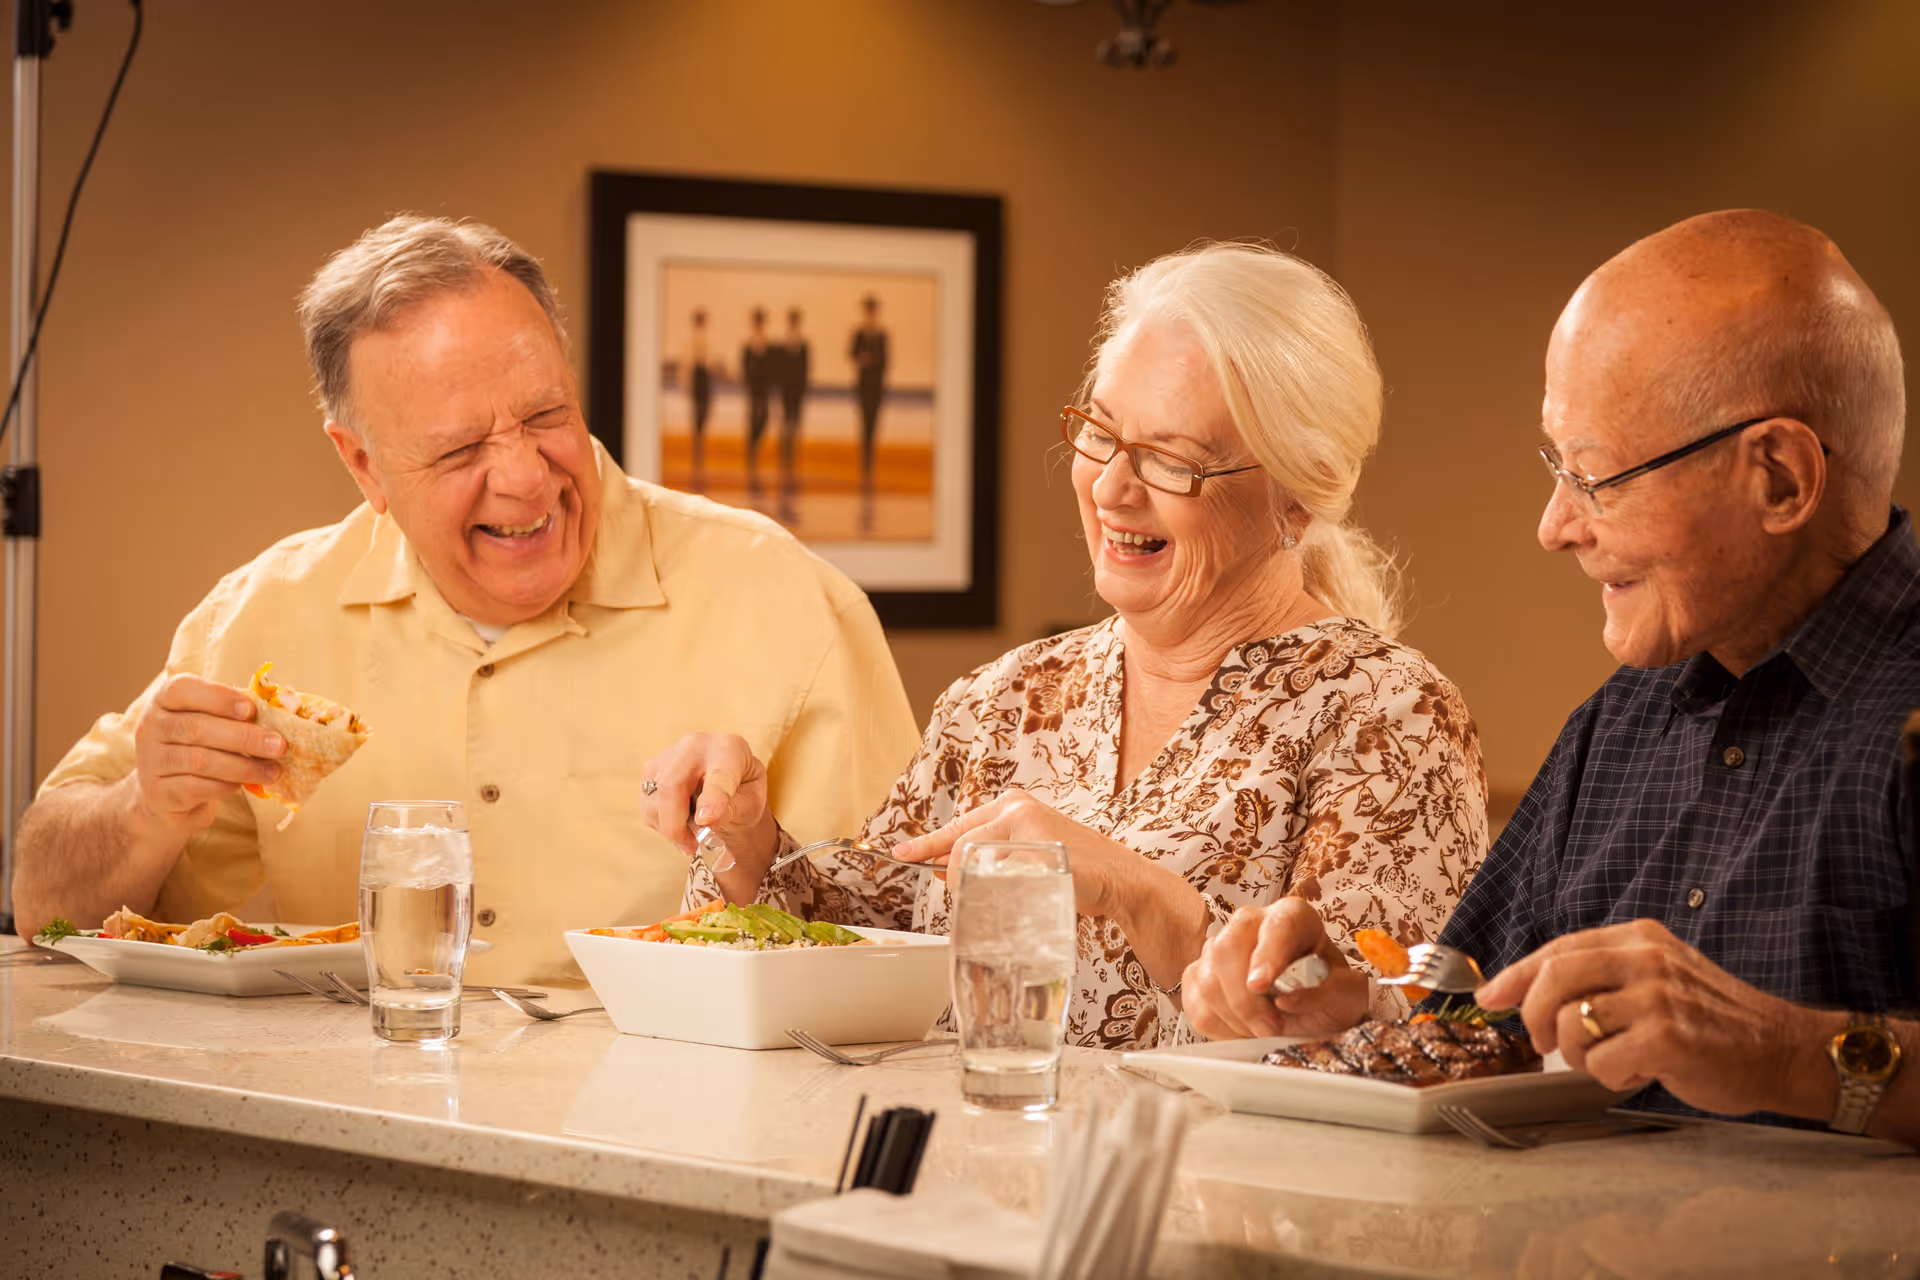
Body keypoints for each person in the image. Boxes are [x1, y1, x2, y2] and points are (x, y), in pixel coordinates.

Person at [9, 215, 921, 985]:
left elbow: (912, 936)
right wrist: (143, 808)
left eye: (545, 416)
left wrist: (758, 849)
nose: (525, 480)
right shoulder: (260, 619)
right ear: (361, 463)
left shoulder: (788, 604)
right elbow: (42, 910)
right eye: (457, 453)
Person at [1181, 211, 1920, 1146]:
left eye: (1596, 476)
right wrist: (1361, 1005)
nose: (1555, 526)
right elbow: (1480, 1015)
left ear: (1778, 477)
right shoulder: (1614, 731)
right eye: (1555, 466)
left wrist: (1785, 1054)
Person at [642, 243, 1488, 1050]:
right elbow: (860, 936)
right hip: (978, 1186)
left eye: (1173, 461)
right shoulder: (1002, 701)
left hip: (1229, 1198)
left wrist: (1148, 900)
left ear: (1296, 503)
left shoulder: (1387, 716)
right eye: (1102, 434)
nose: (1113, 487)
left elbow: (1411, 1037)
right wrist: (749, 838)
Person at [849, 294, 889, 500]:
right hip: (863, 390)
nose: (871, 313)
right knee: (864, 429)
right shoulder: (859, 333)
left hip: (876, 390)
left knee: (873, 430)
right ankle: (864, 470)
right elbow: (851, 354)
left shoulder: (882, 335)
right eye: (868, 309)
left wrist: (872, 361)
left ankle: (870, 470)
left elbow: (886, 360)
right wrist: (861, 359)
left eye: (873, 309)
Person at [777, 306, 810, 522]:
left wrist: (802, 389)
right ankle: (785, 458)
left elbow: (806, 370)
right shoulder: (784, 344)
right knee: (785, 425)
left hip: (797, 393)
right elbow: (779, 369)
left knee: (794, 425)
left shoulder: (803, 344)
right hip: (786, 393)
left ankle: (792, 459)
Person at [741, 307, 776, 496]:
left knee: (764, 419)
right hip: (754, 391)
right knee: (753, 420)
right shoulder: (749, 344)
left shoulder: (767, 344)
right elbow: (745, 367)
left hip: (763, 391)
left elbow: (771, 367)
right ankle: (751, 454)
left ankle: (755, 451)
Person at [686, 307, 715, 489]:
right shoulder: (691, 343)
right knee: (697, 428)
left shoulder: (707, 342)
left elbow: (710, 366)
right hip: (698, 384)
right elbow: (688, 368)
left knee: (701, 427)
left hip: (704, 385)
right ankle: (696, 467)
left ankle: (700, 467)